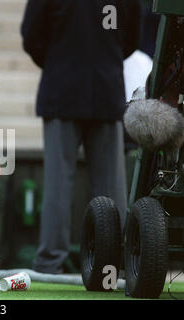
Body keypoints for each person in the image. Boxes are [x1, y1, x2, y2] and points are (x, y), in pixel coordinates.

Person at [21, 0, 142, 274]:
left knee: (57, 184)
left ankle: (50, 263)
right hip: (106, 87)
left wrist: (59, 61)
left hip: (62, 88)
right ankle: (113, 263)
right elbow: (132, 39)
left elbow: (32, 37)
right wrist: (102, 57)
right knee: (110, 186)